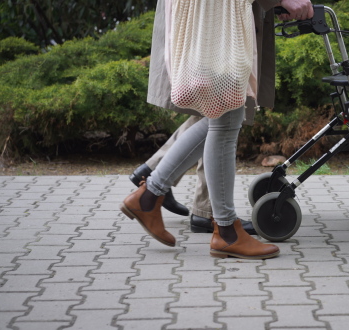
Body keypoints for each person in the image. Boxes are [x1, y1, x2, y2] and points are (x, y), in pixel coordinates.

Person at [121, 0, 314, 259]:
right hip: (215, 18)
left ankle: (149, 196)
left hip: (208, 14)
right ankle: (226, 232)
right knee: (225, 121)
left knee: (220, 118)